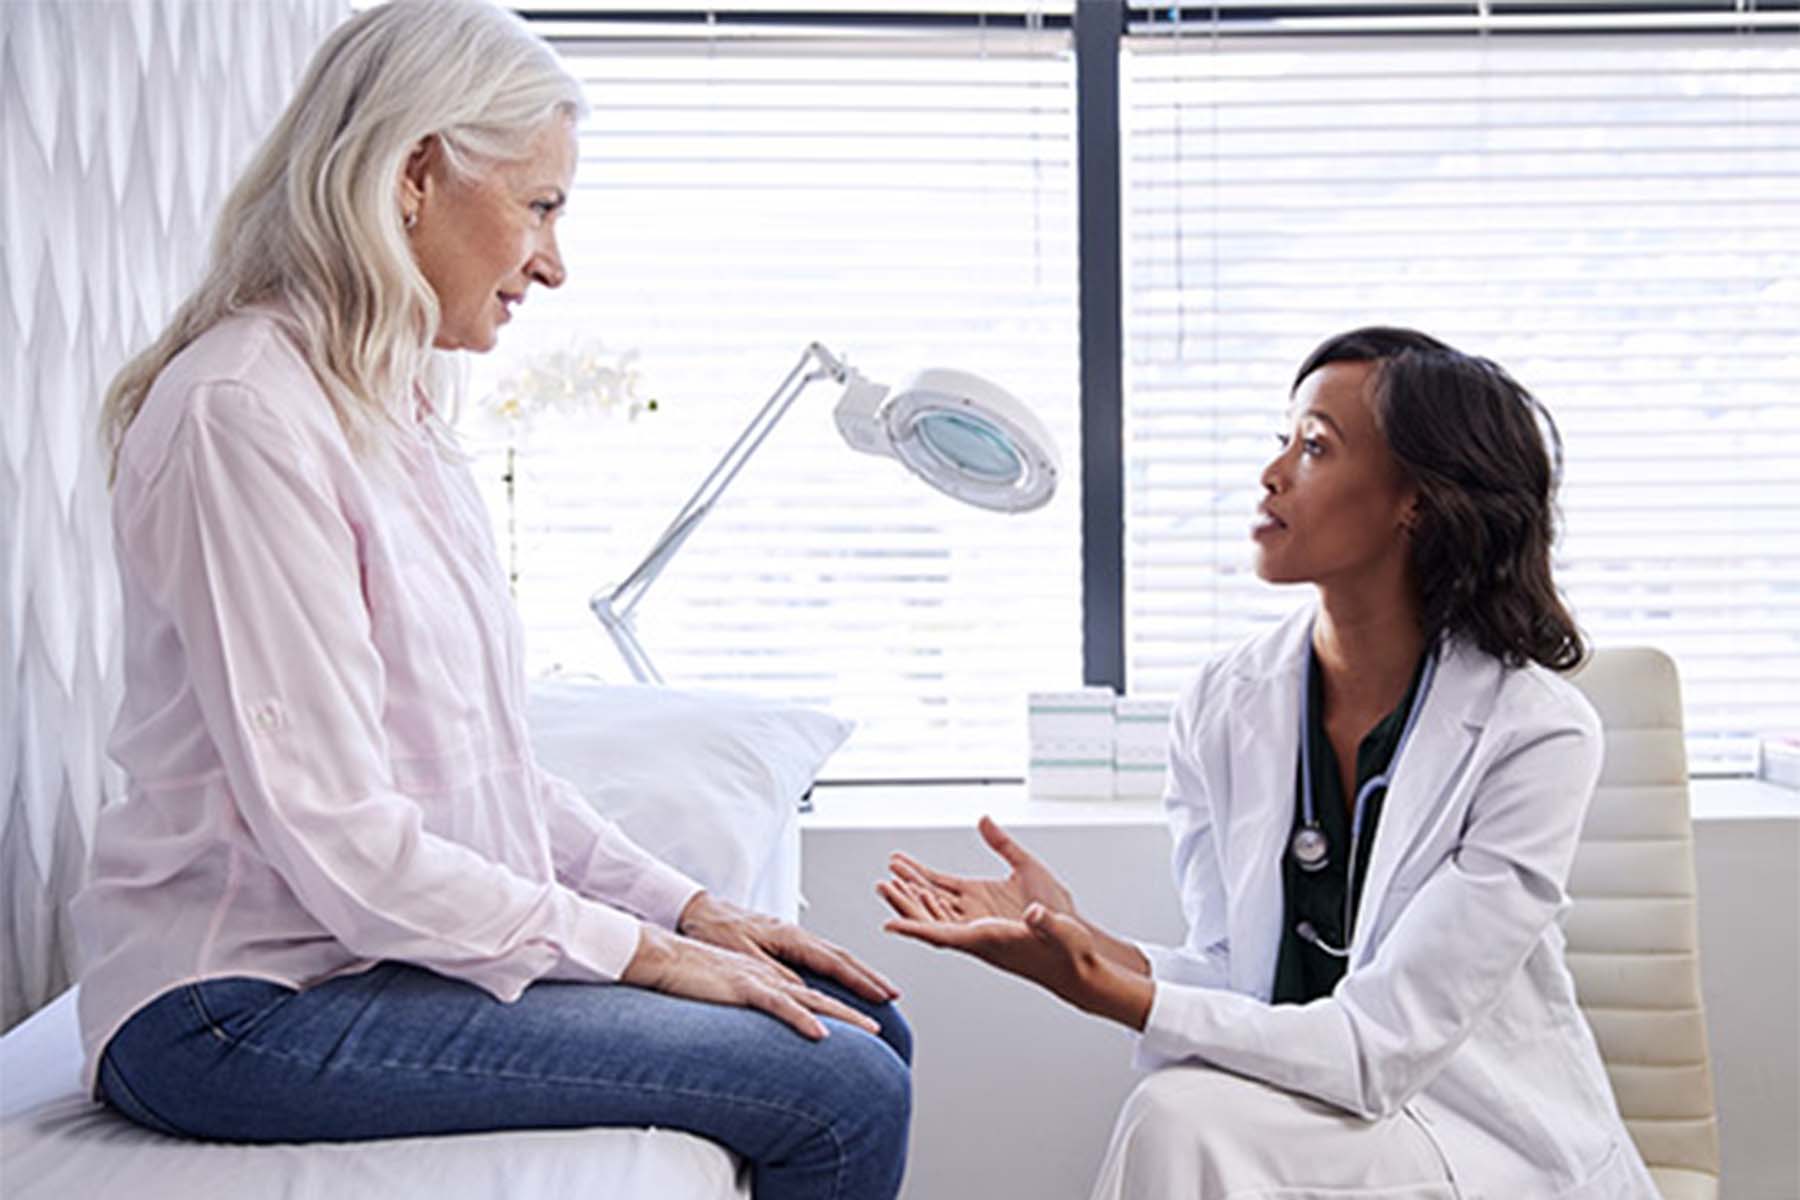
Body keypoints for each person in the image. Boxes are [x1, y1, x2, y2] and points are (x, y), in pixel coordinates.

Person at [74, 4, 910, 1196]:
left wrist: (694, 910)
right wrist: (646, 961)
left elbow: (489, 777)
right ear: (416, 172)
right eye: (541, 205)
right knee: (842, 1085)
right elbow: (345, 840)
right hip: (234, 1008)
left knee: (849, 1020)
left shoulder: (397, 414)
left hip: (356, 966)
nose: (554, 262)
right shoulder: (245, 416)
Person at [879, 327, 1658, 1199]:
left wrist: (1108, 990)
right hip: (1304, 1118)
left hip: (1471, 1136)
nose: (1273, 473)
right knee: (1180, 1113)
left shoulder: (1534, 735)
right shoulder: (1222, 703)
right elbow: (1234, 979)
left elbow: (1378, 1051)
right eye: (1281, 440)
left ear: (1418, 501)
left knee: (1178, 1117)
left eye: (1316, 446)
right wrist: (1073, 944)